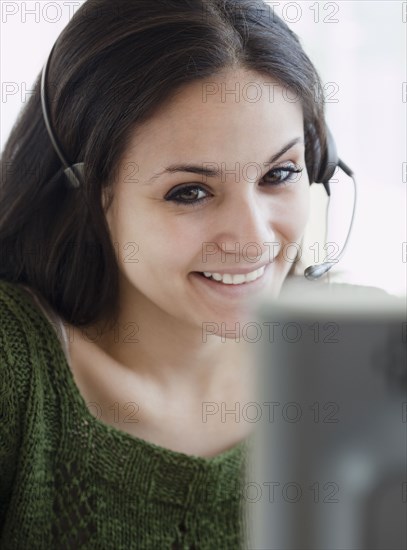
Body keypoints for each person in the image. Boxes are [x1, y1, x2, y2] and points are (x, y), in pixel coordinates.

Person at [0, 0, 330, 547]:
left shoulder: (354, 359)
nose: (254, 239)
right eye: (190, 191)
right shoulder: (15, 371)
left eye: (280, 173)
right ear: (83, 195)